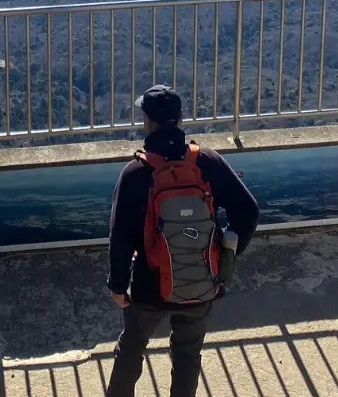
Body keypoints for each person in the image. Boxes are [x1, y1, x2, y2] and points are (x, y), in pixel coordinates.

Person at [105, 85, 260, 397]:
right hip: (202, 280)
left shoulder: (136, 171)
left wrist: (118, 286)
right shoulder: (207, 161)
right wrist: (225, 254)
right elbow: (248, 211)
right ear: (181, 117)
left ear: (147, 122)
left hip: (149, 286)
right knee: (187, 352)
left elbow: (120, 237)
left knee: (132, 347)